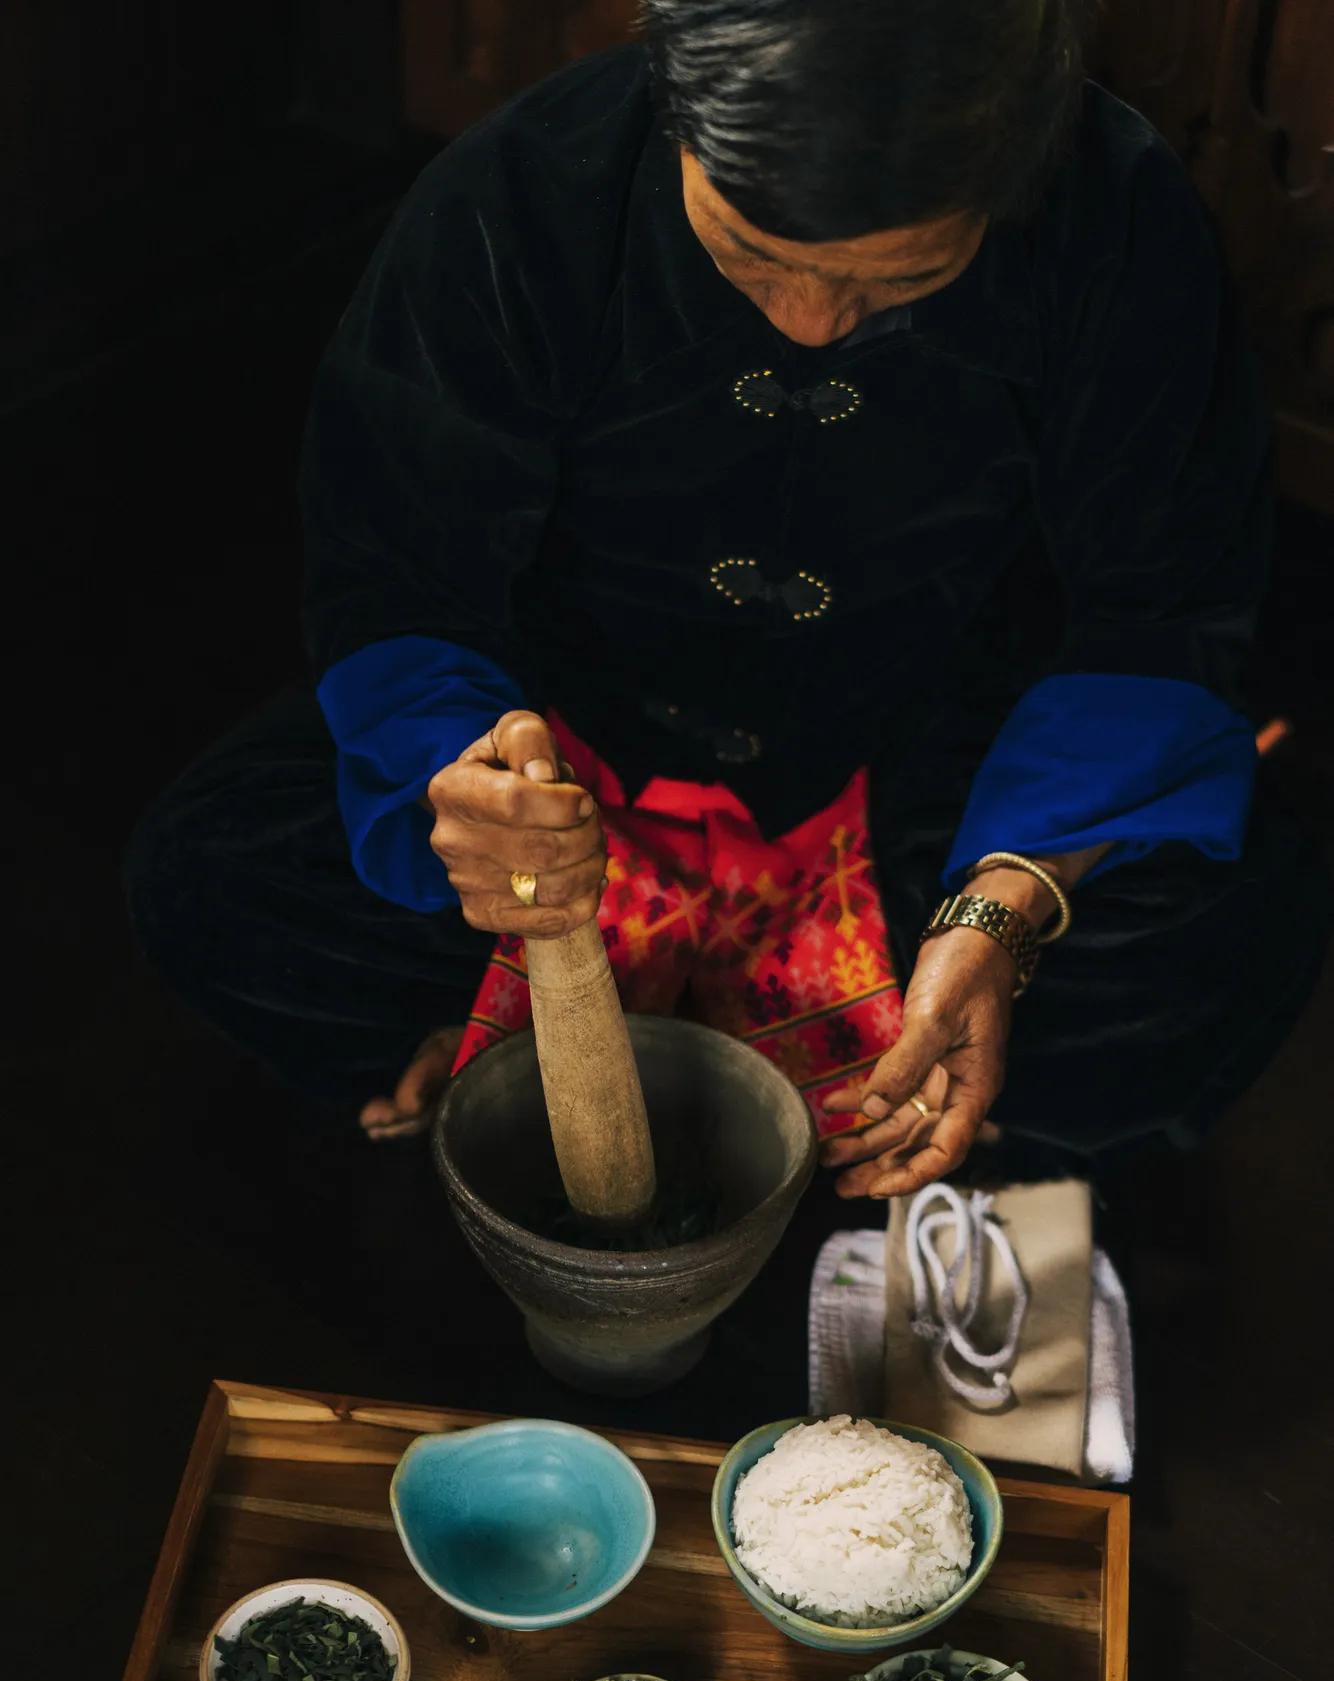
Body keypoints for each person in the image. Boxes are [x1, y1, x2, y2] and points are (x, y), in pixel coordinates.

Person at [128, 0, 1329, 1197]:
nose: (808, 323)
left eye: (898, 279)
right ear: (677, 100)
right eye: (750, 252)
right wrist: (466, 775)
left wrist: (1005, 909)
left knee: (1235, 925)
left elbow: (1159, 606)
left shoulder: (1113, 214)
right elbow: (396, 561)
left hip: (914, 775)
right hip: (575, 747)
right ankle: (782, 1071)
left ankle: (630, 1056)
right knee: (217, 864)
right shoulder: (525, 188)